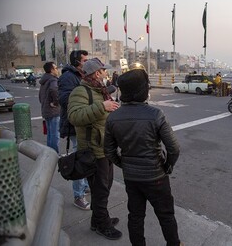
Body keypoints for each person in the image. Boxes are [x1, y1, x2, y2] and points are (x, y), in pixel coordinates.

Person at [104, 66, 182, 246]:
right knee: (166, 215)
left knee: (135, 216)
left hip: (131, 178)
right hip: (156, 176)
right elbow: (174, 148)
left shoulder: (113, 118)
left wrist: (124, 164)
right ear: (143, 90)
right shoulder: (155, 114)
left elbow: (109, 151)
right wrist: (168, 165)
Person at [68, 58, 122, 240]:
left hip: (105, 148)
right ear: (97, 73)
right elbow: (74, 116)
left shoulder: (100, 90)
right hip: (93, 150)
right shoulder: (80, 91)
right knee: (100, 190)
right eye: (104, 70)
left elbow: (102, 115)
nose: (106, 73)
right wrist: (102, 107)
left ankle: (97, 220)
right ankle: (102, 225)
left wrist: (111, 108)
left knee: (104, 187)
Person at [58, 50, 91, 210]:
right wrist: (83, 96)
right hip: (74, 124)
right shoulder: (67, 77)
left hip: (83, 123)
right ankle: (78, 195)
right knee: (79, 158)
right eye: (85, 60)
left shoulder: (81, 75)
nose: (87, 62)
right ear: (77, 62)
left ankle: (84, 186)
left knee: (85, 156)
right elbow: (64, 99)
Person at [38, 62, 60, 153]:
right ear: (51, 70)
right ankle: (55, 154)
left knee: (50, 134)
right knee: (55, 134)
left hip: (46, 110)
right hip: (53, 111)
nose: (57, 70)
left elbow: (40, 96)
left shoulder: (44, 80)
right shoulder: (52, 80)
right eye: (55, 68)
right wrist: (56, 102)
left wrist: (45, 103)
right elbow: (54, 90)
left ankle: (49, 153)